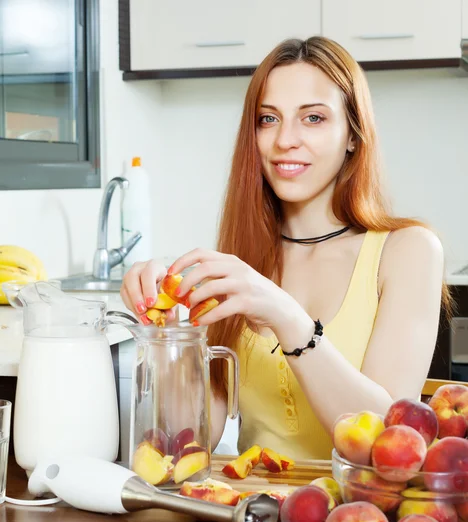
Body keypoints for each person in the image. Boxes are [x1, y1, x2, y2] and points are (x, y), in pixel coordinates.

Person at [121, 36, 447, 460]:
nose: (285, 140)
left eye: (312, 118)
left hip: (356, 520)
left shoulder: (408, 252)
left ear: (352, 135)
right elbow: (192, 440)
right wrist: (169, 331)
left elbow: (385, 444)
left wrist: (286, 316)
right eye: (268, 119)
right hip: (252, 517)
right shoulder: (243, 261)